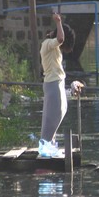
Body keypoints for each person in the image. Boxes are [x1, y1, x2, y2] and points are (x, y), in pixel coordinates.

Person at [40, 12, 83, 151]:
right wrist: (58, 22)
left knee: (59, 113)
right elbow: (60, 39)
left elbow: (60, 41)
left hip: (56, 83)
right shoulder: (48, 44)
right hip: (53, 84)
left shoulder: (54, 48)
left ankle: (49, 144)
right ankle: (45, 147)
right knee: (52, 118)